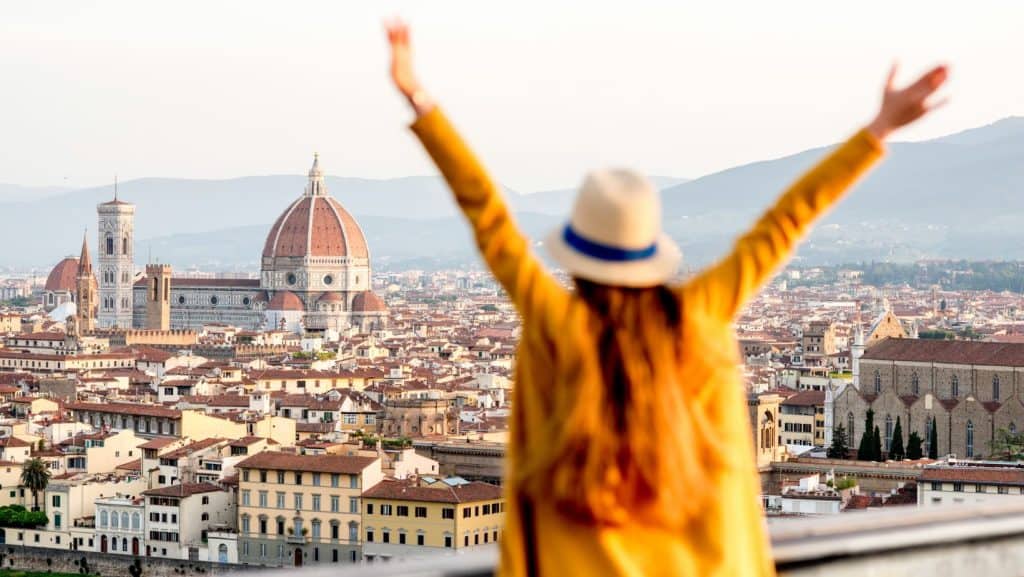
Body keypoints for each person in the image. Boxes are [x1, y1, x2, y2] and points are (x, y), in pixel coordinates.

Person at [386, 20, 947, 577]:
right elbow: (783, 224)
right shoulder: (697, 316)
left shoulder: (559, 322)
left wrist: (420, 100)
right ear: (649, 253)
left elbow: (490, 219)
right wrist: (877, 130)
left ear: (578, 261)